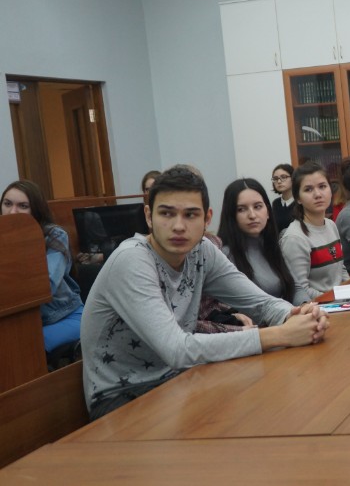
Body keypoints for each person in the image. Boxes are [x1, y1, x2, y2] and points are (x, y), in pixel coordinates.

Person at [79, 166, 329, 419]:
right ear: (148, 215)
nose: (178, 226)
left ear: (207, 218)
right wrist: (278, 335)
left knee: (279, 408)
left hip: (181, 380)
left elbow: (260, 303)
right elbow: (177, 349)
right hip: (122, 399)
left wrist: (298, 314)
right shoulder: (132, 260)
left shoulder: (202, 251)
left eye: (191, 214)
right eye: (166, 213)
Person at [2, 180, 84, 356]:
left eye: (23, 206)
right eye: (7, 204)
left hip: (64, 317)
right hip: (21, 323)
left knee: (18, 351)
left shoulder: (54, 235)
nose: (12, 212)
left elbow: (46, 285)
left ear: (35, 210)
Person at [217, 178, 299, 304]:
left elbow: (297, 287)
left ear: (267, 212)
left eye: (257, 207)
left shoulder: (272, 245)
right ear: (231, 216)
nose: (252, 215)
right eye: (241, 209)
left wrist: (305, 306)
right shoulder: (224, 255)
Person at [280, 161, 350, 301]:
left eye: (322, 186)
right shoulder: (295, 238)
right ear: (298, 198)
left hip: (343, 302)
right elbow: (300, 290)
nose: (318, 194)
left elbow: (341, 270)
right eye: (308, 189)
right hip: (320, 308)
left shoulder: (331, 225)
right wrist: (339, 299)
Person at [270, 163, 296, 233]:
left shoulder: (301, 201)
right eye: (275, 179)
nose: (279, 181)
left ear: (293, 178)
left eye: (283, 177)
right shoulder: (276, 203)